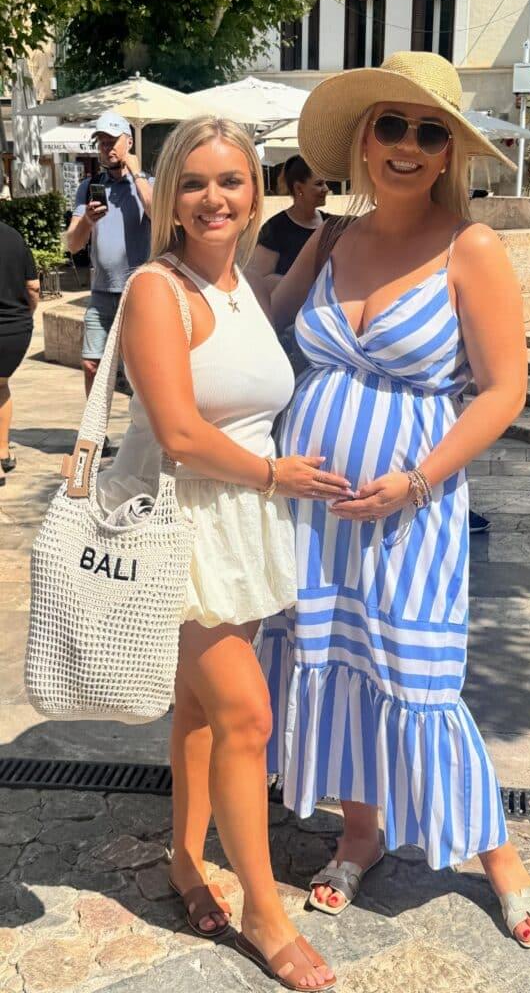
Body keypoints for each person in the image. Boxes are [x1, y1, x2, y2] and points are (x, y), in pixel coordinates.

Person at [258, 51, 530, 950]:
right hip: (313, 516)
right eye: (391, 125)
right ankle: (360, 832)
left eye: (430, 133)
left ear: (448, 154)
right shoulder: (332, 238)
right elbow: (265, 333)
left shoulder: (472, 248)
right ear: (363, 138)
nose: (407, 146)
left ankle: (498, 857)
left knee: (417, 680)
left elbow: (503, 391)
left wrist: (417, 479)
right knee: (339, 667)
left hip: (411, 512)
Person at [97, 117, 345, 990]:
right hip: (180, 525)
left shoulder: (239, 284)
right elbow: (176, 431)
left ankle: (183, 862)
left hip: (234, 525)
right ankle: (264, 914)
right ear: (168, 195)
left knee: (202, 714)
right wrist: (278, 475)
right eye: (195, 182)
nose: (214, 198)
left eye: (231, 181)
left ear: (256, 191)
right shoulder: (158, 292)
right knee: (247, 716)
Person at [66, 112, 153, 445]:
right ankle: (96, 434)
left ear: (128, 142)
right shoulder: (89, 188)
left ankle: (143, 434)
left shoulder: (147, 183)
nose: (105, 148)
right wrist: (87, 220)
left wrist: (136, 172)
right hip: (101, 294)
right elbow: (73, 244)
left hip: (139, 293)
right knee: (91, 365)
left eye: (111, 141)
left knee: (140, 373)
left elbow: (160, 216)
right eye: (100, 142)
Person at [0, 221, 40, 486]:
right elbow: (33, 287)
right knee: (1, 385)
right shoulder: (13, 236)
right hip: (15, 330)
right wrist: (28, 313)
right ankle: (2, 449)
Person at [252, 156, 329, 287]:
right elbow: (258, 279)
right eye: (319, 184)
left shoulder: (331, 224)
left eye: (325, 183)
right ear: (299, 188)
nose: (326, 189)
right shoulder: (275, 229)